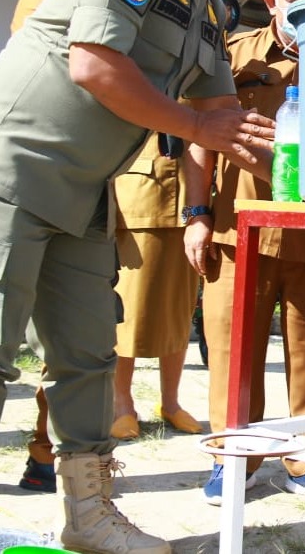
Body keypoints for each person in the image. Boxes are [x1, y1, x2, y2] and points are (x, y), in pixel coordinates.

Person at [0, 0, 305, 553]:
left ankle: (89, 513)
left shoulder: (208, 6)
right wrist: (197, 126)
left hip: (85, 192)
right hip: (12, 168)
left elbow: (224, 112)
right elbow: (94, 64)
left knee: (90, 351)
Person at [183, 0, 305, 506]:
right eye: (302, 1)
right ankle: (234, 456)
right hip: (238, 228)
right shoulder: (232, 54)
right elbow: (199, 139)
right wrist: (196, 215)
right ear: (274, 1)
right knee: (230, 349)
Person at [110, 133, 203, 441]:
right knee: (129, 311)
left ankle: (171, 402)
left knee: (179, 308)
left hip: (191, 198)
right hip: (139, 195)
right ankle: (121, 404)